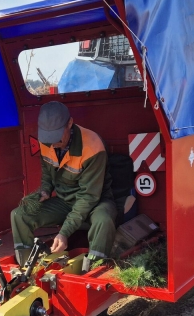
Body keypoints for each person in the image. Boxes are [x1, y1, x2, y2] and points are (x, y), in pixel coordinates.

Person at [11, 101, 117, 271]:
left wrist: (64, 233)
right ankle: (28, 268)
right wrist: (45, 190)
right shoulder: (45, 141)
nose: (52, 144)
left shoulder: (93, 146)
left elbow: (88, 197)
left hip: (95, 202)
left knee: (103, 220)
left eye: (57, 137)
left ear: (70, 123)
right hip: (64, 202)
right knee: (19, 215)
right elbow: (47, 173)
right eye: (48, 138)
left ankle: (94, 269)